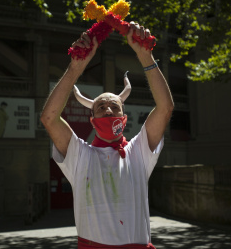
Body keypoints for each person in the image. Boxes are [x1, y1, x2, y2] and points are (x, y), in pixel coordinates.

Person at [40, 22, 173, 248]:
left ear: (124, 117)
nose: (108, 110)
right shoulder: (79, 155)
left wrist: (145, 57)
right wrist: (75, 68)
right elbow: (49, 118)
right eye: (101, 107)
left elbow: (165, 108)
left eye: (114, 107)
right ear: (92, 120)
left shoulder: (139, 151)